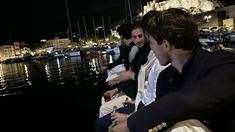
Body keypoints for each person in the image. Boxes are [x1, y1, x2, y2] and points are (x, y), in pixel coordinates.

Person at [111, 8, 235, 132]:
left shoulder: (223, 64)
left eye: (152, 43)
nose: (151, 49)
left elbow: (189, 99)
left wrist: (131, 122)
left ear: (166, 45)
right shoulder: (165, 77)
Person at [99, 21, 151, 118]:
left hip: (135, 94)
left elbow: (136, 76)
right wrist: (116, 88)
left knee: (103, 109)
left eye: (140, 36)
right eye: (134, 37)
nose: (137, 40)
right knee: (105, 94)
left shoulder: (143, 52)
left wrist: (125, 79)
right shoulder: (139, 51)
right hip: (133, 90)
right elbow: (133, 73)